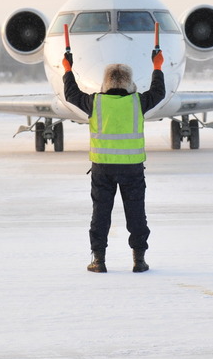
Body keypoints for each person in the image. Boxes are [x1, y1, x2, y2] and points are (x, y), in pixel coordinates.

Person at [62, 46, 165, 273]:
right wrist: (157, 66)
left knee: (100, 214)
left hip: (102, 169)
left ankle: (99, 260)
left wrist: (68, 69)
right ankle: (139, 260)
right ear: (129, 82)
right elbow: (158, 93)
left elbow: (71, 94)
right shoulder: (138, 102)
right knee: (136, 214)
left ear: (105, 82)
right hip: (132, 169)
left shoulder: (96, 103)